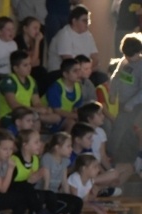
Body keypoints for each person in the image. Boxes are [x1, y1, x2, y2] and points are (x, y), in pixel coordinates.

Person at [10, 128, 67, 214]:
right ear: (25, 145)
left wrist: (32, 182)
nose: (40, 144)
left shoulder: (35, 160)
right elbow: (9, 186)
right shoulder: (14, 160)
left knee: (49, 194)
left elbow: (31, 185)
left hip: (26, 191)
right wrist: (29, 181)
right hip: (13, 192)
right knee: (32, 197)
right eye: (36, 142)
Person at [0, 51, 60, 128]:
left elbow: (36, 102)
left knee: (56, 117)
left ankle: (36, 121)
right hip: (10, 115)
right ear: (16, 68)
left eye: (30, 64)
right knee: (35, 121)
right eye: (25, 65)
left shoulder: (31, 80)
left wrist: (43, 109)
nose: (29, 67)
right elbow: (14, 105)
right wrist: (35, 110)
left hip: (27, 114)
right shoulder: (8, 81)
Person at [40, 132, 83, 214]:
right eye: (68, 146)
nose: (71, 149)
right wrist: (44, 200)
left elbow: (64, 182)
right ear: (57, 147)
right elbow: (46, 182)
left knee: (77, 202)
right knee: (56, 201)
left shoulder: (65, 161)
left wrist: (69, 196)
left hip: (54, 193)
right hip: (45, 192)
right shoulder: (47, 158)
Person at [108, 33, 142, 163]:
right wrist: (112, 93)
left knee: (120, 128)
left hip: (135, 105)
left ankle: (110, 154)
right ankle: (122, 158)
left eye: (130, 56)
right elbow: (116, 77)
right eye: (126, 55)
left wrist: (132, 103)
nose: (128, 58)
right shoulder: (124, 61)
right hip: (122, 102)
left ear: (139, 52)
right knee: (124, 131)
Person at [48, 5, 100, 75]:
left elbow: (95, 59)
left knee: (102, 78)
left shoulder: (88, 35)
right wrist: (85, 71)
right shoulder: (64, 35)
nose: (87, 23)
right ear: (74, 21)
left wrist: (88, 70)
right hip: (62, 73)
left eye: (88, 20)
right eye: (84, 20)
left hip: (82, 72)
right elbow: (68, 62)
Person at [44, 57, 82, 130]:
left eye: (79, 70)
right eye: (75, 71)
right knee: (71, 123)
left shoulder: (78, 87)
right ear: (65, 74)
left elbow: (76, 107)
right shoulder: (55, 87)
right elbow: (57, 111)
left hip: (66, 117)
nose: (79, 73)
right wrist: (76, 116)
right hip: (51, 119)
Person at [14, 16, 47, 89]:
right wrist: (37, 42)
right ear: (25, 29)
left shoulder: (38, 41)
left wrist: (37, 43)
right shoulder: (17, 41)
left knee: (42, 71)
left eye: (39, 29)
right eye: (35, 28)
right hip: (20, 70)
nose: (38, 31)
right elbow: (32, 62)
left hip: (33, 70)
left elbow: (38, 62)